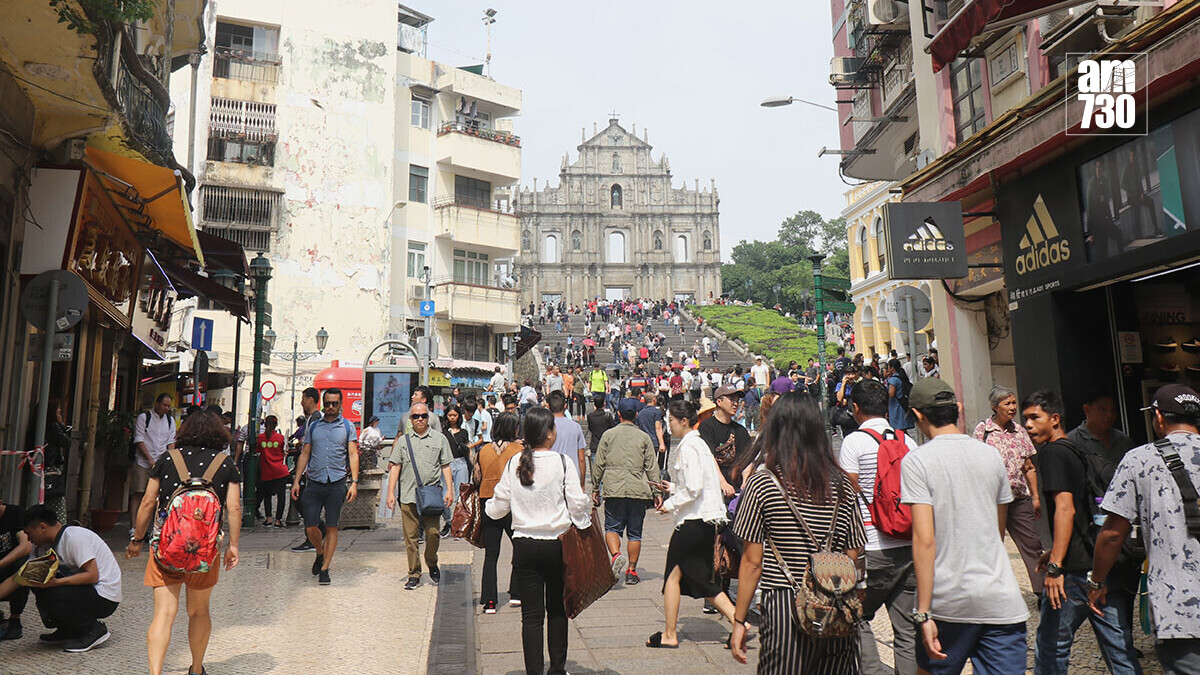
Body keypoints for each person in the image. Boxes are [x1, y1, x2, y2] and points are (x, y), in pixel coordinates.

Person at [729, 393, 866, 672]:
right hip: (836, 603)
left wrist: (739, 620)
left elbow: (752, 562)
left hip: (783, 602)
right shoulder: (843, 485)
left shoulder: (763, 484)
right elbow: (854, 555)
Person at [901, 378, 1029, 674]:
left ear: (918, 415)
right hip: (1000, 599)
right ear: (958, 410)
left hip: (949, 603)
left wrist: (923, 612)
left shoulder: (917, 461)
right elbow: (999, 530)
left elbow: (924, 540)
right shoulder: (991, 456)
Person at [1022, 389, 1140, 675]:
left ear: (1054, 418)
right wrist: (1056, 550)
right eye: (1024, 419)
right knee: (1119, 649)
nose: (1027, 425)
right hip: (1097, 565)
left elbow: (1066, 509)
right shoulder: (1074, 448)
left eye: (1034, 418)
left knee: (1051, 645)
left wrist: (1054, 567)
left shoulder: (1053, 453)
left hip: (1072, 573)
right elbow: (1082, 509)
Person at [1089, 384, 1200, 673]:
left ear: (1159, 417)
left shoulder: (1140, 459)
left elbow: (1113, 532)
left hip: (1178, 609)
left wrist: (1097, 581)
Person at [128, 410, 241, 675]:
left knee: (164, 613)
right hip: (205, 551)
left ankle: (155, 672)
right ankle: (197, 668)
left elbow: (147, 502)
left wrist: (137, 539)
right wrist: (233, 545)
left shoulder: (168, 459)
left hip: (165, 549)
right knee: (199, 611)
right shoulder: (225, 464)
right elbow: (234, 507)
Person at [485, 407, 593, 675]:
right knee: (557, 609)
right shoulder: (562, 462)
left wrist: (488, 510)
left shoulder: (515, 462)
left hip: (525, 547)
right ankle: (557, 669)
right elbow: (578, 503)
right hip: (557, 544)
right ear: (547, 434)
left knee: (531, 616)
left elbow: (499, 505)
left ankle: (533, 670)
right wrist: (583, 521)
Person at [838, 379, 919, 675]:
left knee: (857, 616)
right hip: (907, 544)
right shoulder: (906, 440)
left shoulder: (854, 442)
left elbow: (848, 497)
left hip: (871, 545)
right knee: (907, 630)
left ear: (855, 407)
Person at [647, 400, 738, 649]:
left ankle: (670, 634)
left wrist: (671, 503)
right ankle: (735, 621)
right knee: (691, 578)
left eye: (671, 422)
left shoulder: (688, 447)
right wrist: (674, 488)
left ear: (683, 421)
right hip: (704, 520)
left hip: (693, 522)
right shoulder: (699, 444)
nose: (670, 426)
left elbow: (695, 487)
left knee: (676, 578)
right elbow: (701, 484)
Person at [0, 505, 121, 653]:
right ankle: (68, 629)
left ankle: (93, 630)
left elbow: (92, 575)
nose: (29, 540)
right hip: (84, 590)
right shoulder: (41, 547)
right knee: (35, 581)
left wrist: (56, 582)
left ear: (42, 527)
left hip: (104, 595)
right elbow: (18, 578)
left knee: (55, 593)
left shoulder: (74, 538)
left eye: (29, 534)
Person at [973, 386, 1044, 594]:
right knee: (993, 546)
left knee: (1033, 544)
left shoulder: (1020, 431)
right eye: (1007, 404)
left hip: (1019, 498)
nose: (1013, 408)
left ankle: (1042, 592)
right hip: (992, 501)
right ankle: (992, 591)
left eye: (1014, 403)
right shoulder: (982, 431)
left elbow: (1029, 467)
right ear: (995, 407)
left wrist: (1036, 497)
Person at [290, 388, 360, 585]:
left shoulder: (347, 427)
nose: (330, 407)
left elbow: (353, 454)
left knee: (332, 526)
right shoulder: (314, 426)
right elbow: (305, 453)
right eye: (327, 403)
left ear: (340, 405)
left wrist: (354, 483)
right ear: (323, 404)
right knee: (310, 525)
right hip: (314, 482)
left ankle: (325, 568)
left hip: (336, 483)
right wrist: (296, 480)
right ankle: (320, 552)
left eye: (334, 404)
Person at [592, 398, 660, 586]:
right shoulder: (644, 437)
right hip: (638, 490)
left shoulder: (608, 435)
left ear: (618, 414)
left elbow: (598, 464)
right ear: (636, 415)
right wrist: (657, 492)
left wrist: (595, 487)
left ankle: (615, 556)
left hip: (613, 488)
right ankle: (631, 571)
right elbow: (652, 467)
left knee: (612, 528)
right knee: (635, 533)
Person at [387, 402, 453, 590]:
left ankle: (431, 561)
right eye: (416, 416)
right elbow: (395, 467)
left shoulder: (439, 439)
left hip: (431, 495)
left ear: (429, 417)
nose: (420, 419)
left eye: (423, 416)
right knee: (411, 538)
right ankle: (414, 574)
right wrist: (391, 493)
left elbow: (446, 465)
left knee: (433, 533)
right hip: (408, 496)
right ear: (411, 419)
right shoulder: (403, 441)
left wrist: (450, 489)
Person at [476, 413, 524, 614]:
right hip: (512, 504)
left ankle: (489, 601)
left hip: (488, 502)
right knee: (520, 548)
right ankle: (516, 593)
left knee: (491, 554)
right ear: (514, 429)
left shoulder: (484, 450)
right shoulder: (519, 450)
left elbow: (477, 477)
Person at [131, 393, 176, 539]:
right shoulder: (144, 418)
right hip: (143, 462)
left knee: (157, 497)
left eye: (169, 406)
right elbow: (139, 439)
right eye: (165, 405)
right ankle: (134, 527)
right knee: (139, 493)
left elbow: (171, 442)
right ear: (157, 404)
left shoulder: (170, 421)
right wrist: (150, 459)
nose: (167, 408)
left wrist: (170, 460)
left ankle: (151, 527)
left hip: (161, 463)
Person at [699, 385, 753, 498]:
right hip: (713, 488)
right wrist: (722, 483)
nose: (736, 403)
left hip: (736, 488)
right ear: (719, 401)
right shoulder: (707, 426)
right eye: (731, 399)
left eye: (737, 400)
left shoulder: (740, 430)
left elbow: (747, 459)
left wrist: (746, 480)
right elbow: (709, 458)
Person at [290, 387, 324, 553]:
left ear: (311, 399)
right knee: (303, 502)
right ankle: (317, 532)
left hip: (313, 471)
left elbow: (314, 445)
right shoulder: (311, 419)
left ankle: (313, 537)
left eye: (303, 398)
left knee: (307, 503)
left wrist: (310, 467)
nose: (301, 402)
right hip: (309, 469)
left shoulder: (317, 418)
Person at [1068, 391, 1135, 466]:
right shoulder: (1071, 442)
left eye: (1113, 410)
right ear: (1087, 410)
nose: (1110, 415)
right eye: (1103, 410)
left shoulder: (1124, 440)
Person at [0, 499, 30, 640]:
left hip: (11, 567)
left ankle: (15, 618)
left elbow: (26, 546)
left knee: (23, 566)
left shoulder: (15, 513)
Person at [442, 404, 471, 536]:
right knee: (443, 494)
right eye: (450, 415)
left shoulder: (464, 432)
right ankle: (448, 522)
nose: (452, 418)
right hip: (446, 463)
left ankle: (459, 525)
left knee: (462, 495)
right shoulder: (443, 433)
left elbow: (468, 449)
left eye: (455, 415)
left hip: (461, 463)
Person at [546, 391, 587, 486]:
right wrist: (582, 483)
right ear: (565, 406)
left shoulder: (545, 427)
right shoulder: (576, 427)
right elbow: (581, 458)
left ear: (548, 406)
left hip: (551, 476)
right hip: (572, 477)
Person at [256, 415, 289, 528]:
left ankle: (269, 518)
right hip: (280, 470)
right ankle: (278, 520)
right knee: (281, 496)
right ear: (276, 425)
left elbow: (257, 450)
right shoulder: (280, 438)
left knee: (267, 495)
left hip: (267, 471)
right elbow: (284, 452)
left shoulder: (260, 438)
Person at [635, 391, 669, 479]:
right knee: (655, 466)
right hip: (654, 441)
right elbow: (658, 427)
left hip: (643, 442)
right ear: (654, 400)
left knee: (645, 465)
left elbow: (638, 428)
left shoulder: (640, 413)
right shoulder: (656, 412)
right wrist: (662, 443)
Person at [885, 359, 915, 435]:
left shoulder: (893, 380)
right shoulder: (901, 377)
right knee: (903, 431)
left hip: (896, 407)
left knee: (899, 431)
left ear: (892, 368)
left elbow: (891, 394)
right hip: (901, 406)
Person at [586, 395, 617, 463]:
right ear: (604, 403)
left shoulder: (590, 416)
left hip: (595, 445)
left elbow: (590, 429)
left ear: (594, 404)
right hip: (607, 445)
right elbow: (613, 429)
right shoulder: (608, 416)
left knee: (595, 469)